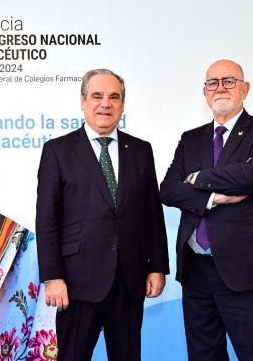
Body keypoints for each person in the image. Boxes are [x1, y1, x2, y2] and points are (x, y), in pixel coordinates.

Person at [35, 69, 169, 361]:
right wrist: (52, 277)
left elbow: (152, 214)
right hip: (76, 283)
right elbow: (46, 220)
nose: (105, 104)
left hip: (129, 280)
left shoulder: (141, 151)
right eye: (97, 96)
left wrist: (157, 266)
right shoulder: (57, 151)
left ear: (122, 105)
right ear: (83, 102)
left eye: (114, 97)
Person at [160, 59, 253, 361]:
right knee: (203, 356)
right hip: (195, 269)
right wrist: (213, 198)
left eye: (228, 81)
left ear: (245, 88)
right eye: (212, 82)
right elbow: (167, 189)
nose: (220, 88)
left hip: (246, 269)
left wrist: (199, 178)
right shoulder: (191, 139)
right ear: (205, 92)